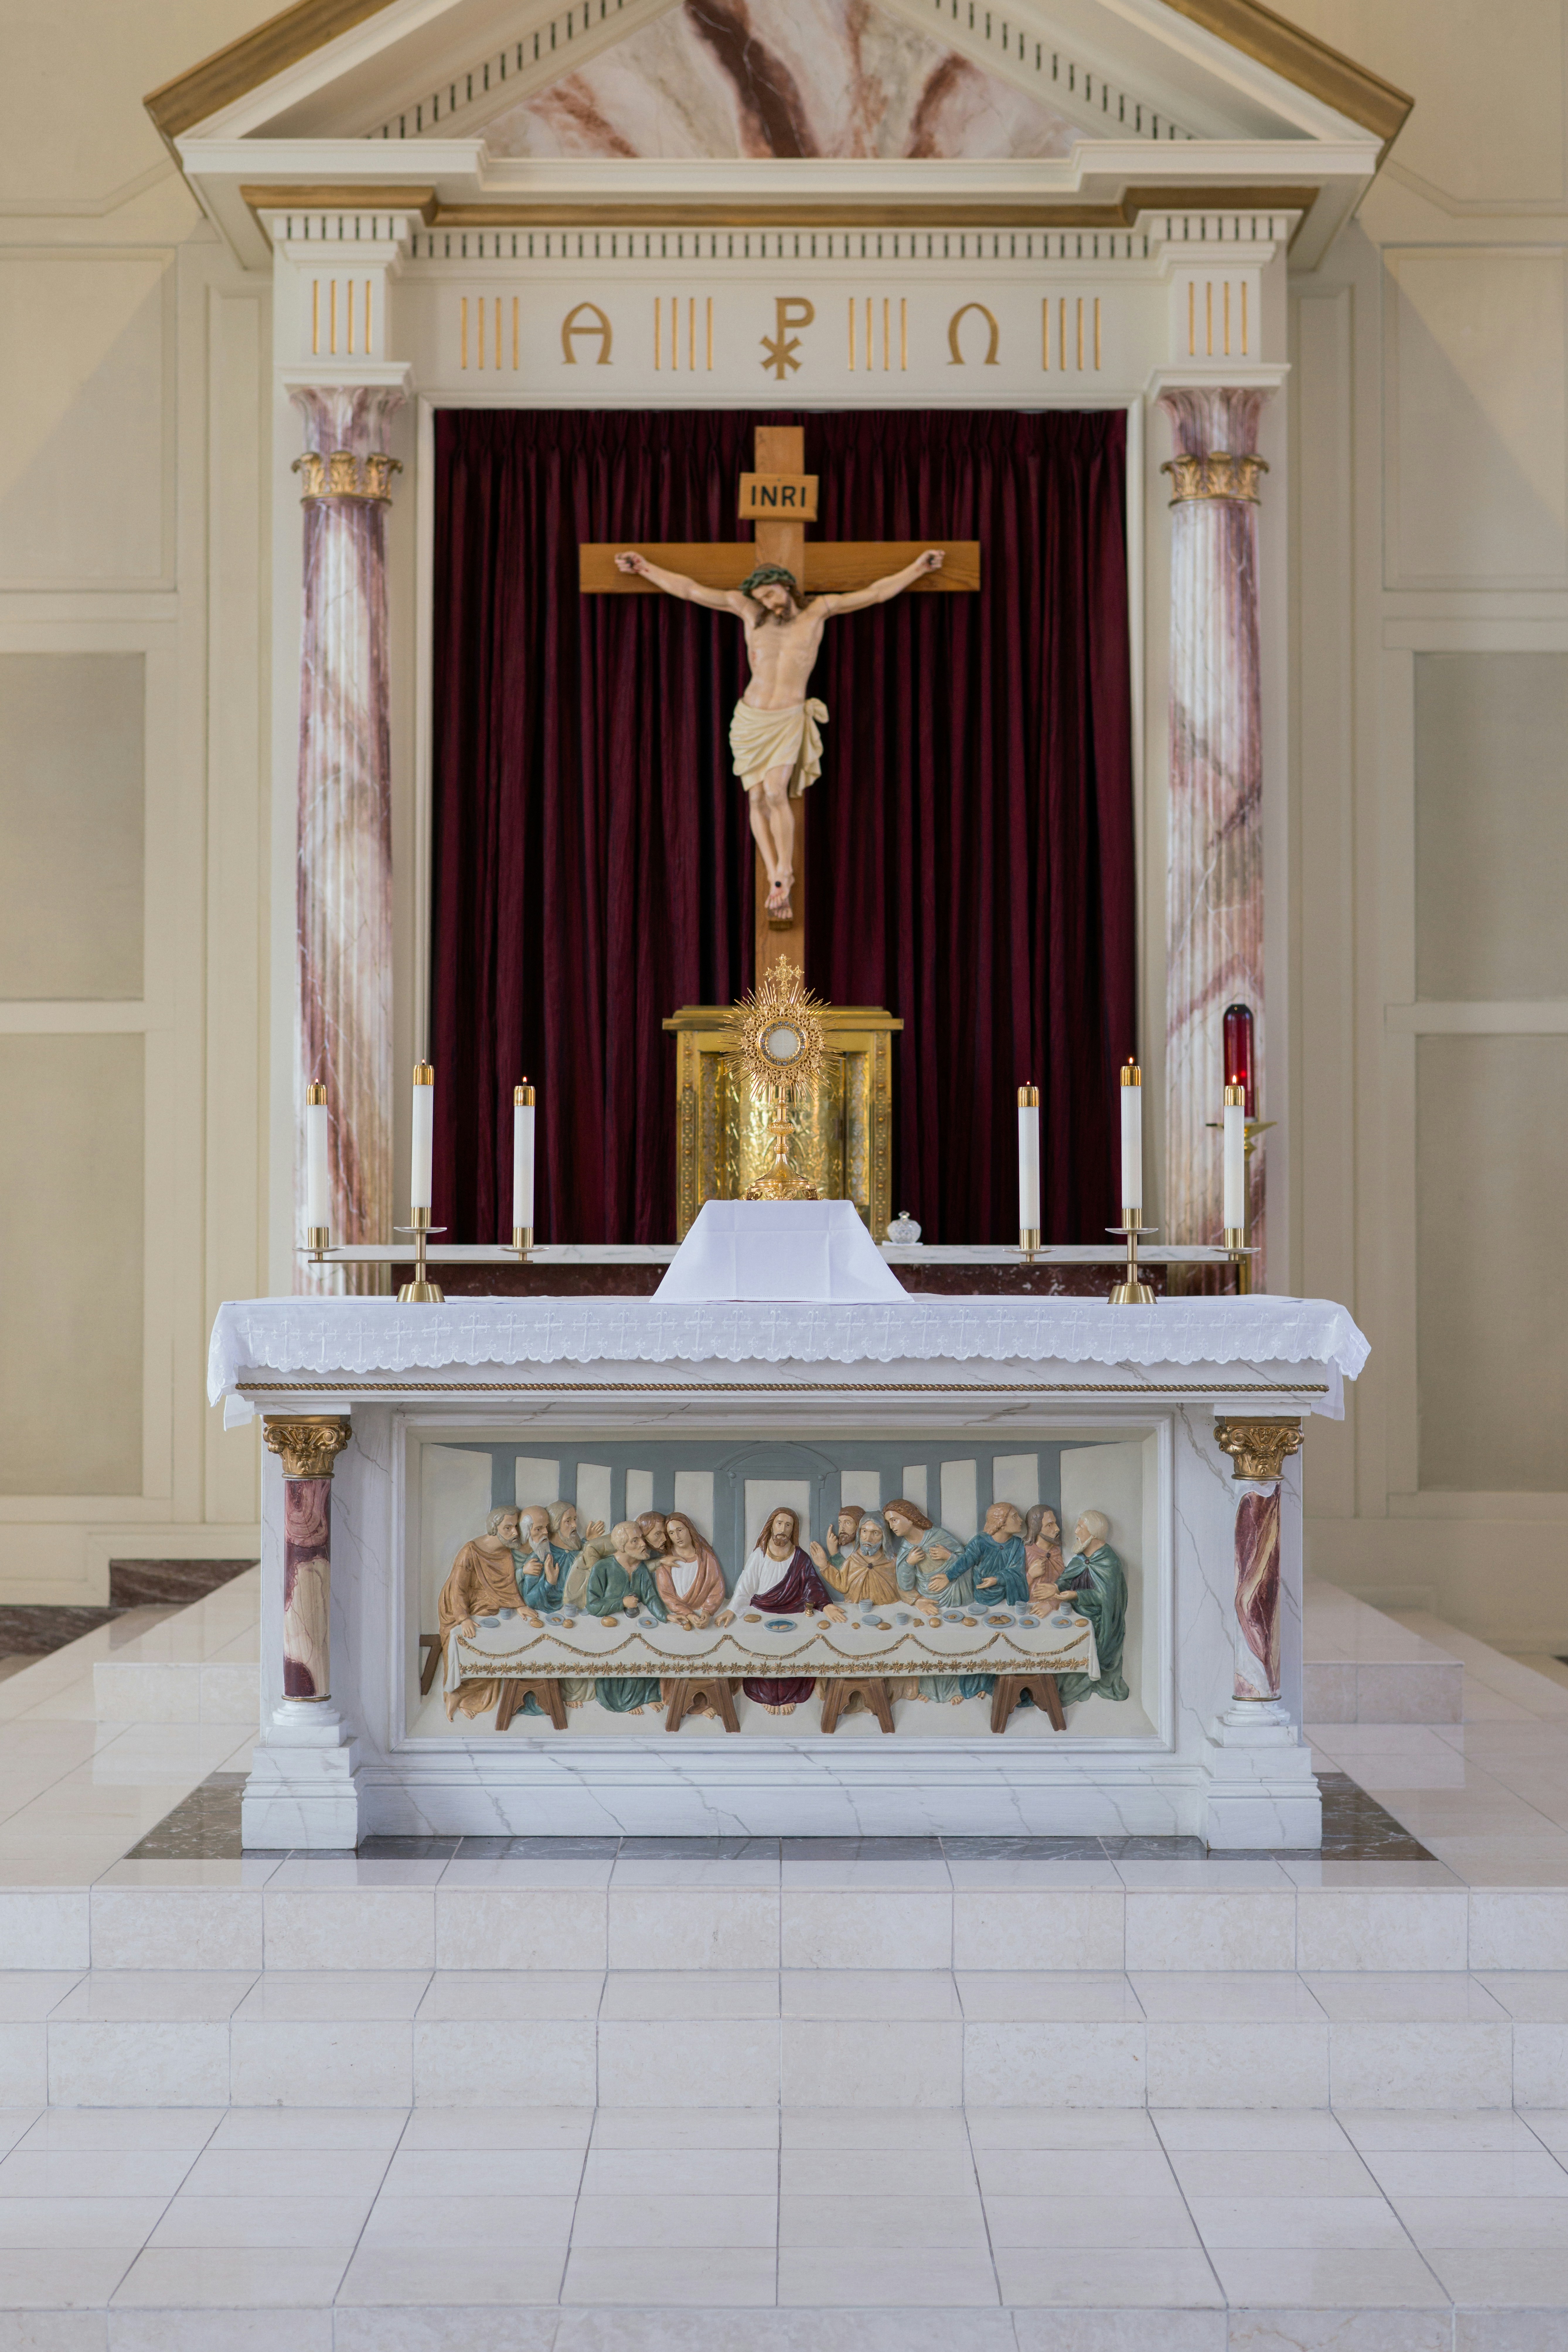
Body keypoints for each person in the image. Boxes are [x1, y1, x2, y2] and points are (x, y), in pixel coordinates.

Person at [614, 545, 945, 922]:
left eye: (770, 594)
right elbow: (690, 590)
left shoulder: (818, 611)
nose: (768, 602)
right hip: (751, 719)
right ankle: (773, 873)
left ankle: (783, 871)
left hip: (787, 717)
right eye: (760, 598)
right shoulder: (749, 612)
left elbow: (875, 593)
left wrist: (917, 569)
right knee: (755, 798)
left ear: (785, 586)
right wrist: (644, 569)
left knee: (775, 792)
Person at [721, 1505, 832, 1715]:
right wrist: (732, 1610)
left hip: (793, 1611)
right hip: (762, 1610)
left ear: (793, 1530)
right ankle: (766, 1693)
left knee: (796, 1646)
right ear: (771, 1526)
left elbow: (812, 1584)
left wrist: (827, 1605)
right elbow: (746, 1586)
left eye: (788, 1525)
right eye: (779, 1523)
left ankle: (792, 1693)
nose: (783, 1528)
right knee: (761, 1647)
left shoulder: (800, 1556)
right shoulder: (760, 1554)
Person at [884, 1497, 989, 1706]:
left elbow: (966, 1561)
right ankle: (930, 1688)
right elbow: (904, 1585)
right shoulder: (906, 1549)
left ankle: (962, 1686)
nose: (891, 1526)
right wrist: (910, 1565)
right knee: (930, 1645)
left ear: (910, 1518)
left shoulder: (938, 1536)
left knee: (962, 1641)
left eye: (895, 1520)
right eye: (889, 1522)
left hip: (956, 1597)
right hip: (930, 1600)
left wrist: (949, 1555)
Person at [437, 1506, 528, 1722]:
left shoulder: (505, 1552)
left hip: (488, 1607)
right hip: (458, 1608)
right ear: (494, 1529)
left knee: (499, 1651)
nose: (515, 1532)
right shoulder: (470, 1551)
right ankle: (455, 1693)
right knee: (464, 1650)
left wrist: (518, 1605)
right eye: (508, 1528)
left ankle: (463, 1696)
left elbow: (506, 1585)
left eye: (515, 1526)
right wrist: (464, 1618)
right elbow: (457, 1589)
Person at [583, 1520, 666, 1714]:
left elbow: (651, 1596)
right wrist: (622, 1603)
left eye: (641, 1539)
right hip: (609, 1631)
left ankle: (646, 1696)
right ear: (622, 1546)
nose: (643, 1544)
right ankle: (622, 1700)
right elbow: (593, 1605)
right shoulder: (602, 1568)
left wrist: (667, 1617)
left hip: (637, 1628)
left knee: (649, 1652)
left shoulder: (641, 1568)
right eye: (635, 1541)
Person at [1054, 1510, 1130, 1706]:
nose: (1075, 1531)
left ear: (1094, 1534)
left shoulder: (1109, 1562)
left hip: (1099, 1622)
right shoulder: (1081, 1558)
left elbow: (1107, 1598)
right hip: (1074, 1617)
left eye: (1080, 1527)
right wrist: (1054, 1588)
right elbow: (1066, 1579)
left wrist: (1076, 1595)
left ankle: (1079, 1682)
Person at [809, 1510, 898, 1607]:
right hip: (855, 1612)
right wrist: (824, 1566)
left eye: (876, 1533)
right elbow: (842, 1584)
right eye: (865, 1531)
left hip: (888, 1611)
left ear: (884, 1537)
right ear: (860, 1534)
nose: (868, 1539)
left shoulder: (893, 1563)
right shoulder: (853, 1561)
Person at [654, 1510, 727, 1625]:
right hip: (681, 1616)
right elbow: (667, 1595)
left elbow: (717, 1588)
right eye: (672, 1533)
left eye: (680, 1530)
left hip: (703, 1612)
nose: (677, 1537)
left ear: (689, 1529)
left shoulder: (706, 1558)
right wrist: (689, 1614)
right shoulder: (667, 1562)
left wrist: (708, 1612)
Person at [1024, 1503, 1066, 1608]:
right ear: (1037, 1528)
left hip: (1055, 1606)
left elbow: (1066, 1584)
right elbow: (1012, 1589)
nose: (1057, 1529)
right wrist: (1030, 1575)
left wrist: (1052, 1603)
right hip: (1030, 1607)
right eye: (1050, 1525)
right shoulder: (1025, 1552)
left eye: (1055, 1523)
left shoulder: (1056, 1552)